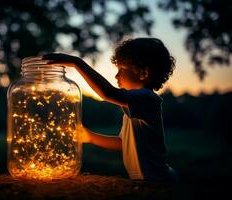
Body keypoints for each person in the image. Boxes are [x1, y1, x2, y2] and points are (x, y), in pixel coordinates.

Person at [41, 37, 178, 183]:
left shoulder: (147, 98)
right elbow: (122, 143)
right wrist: (90, 137)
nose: (116, 76)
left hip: (160, 181)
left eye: (121, 69)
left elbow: (108, 93)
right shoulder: (136, 106)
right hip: (149, 181)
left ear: (143, 73)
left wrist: (77, 63)